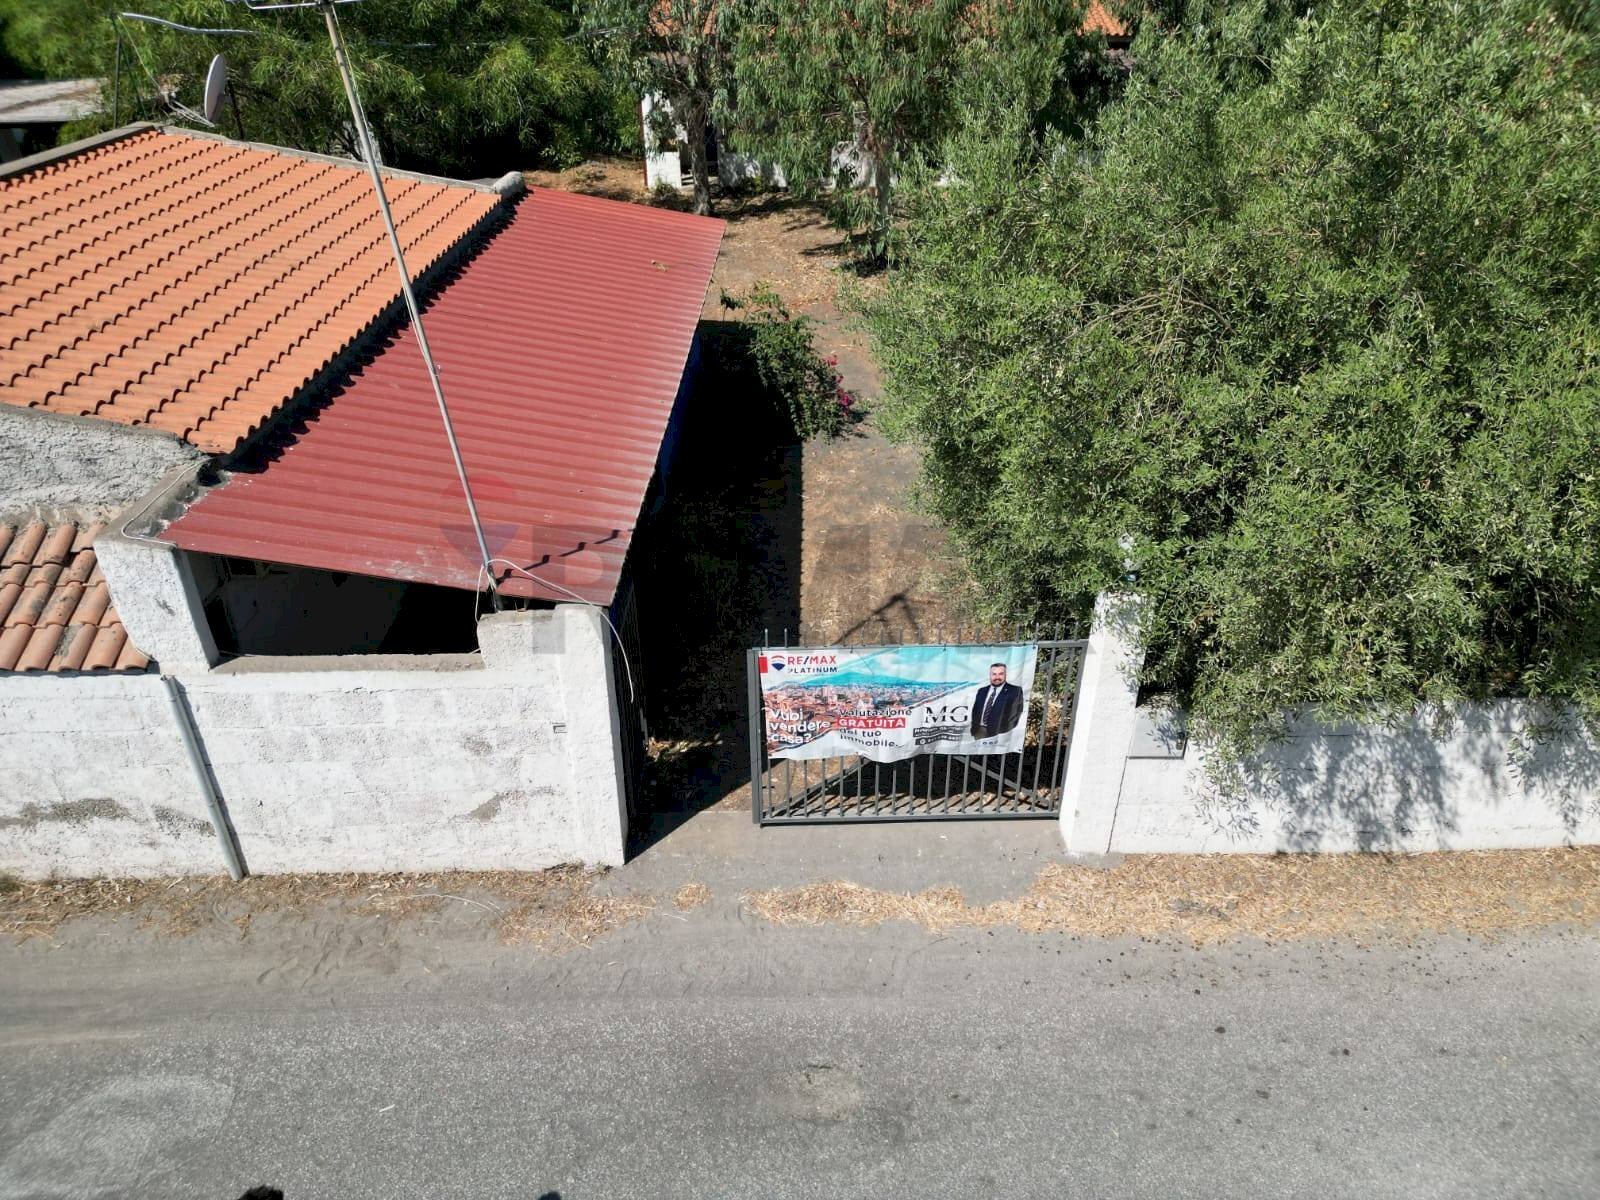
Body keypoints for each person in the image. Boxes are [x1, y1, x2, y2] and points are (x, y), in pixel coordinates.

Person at [970, 662, 1023, 738]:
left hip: (999, 734)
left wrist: (1004, 731)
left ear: (1005, 674)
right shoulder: (981, 691)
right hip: (979, 731)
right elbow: (975, 711)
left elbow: (1017, 713)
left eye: (1001, 674)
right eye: (994, 674)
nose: (997, 677)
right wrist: (975, 728)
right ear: (990, 675)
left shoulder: (1015, 691)